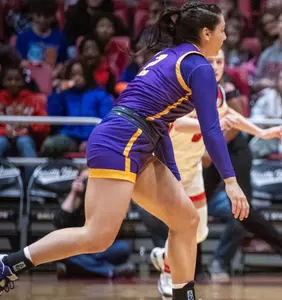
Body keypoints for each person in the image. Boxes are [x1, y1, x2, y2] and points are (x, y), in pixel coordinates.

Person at [0, 3, 249, 300]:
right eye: (221, 31)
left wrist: (172, 172)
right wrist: (231, 182)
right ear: (206, 32)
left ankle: (183, 295)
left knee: (186, 221)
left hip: (133, 138)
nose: (224, 37)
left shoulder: (168, 56)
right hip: (122, 140)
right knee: (97, 235)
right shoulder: (199, 66)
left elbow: (160, 125)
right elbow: (211, 130)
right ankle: (7, 264)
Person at [150, 48, 282, 297]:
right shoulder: (182, 90)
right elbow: (176, 123)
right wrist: (208, 124)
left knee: (199, 232)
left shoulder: (217, 93)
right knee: (181, 226)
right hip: (167, 169)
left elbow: (230, 115)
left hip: (192, 172)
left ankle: (164, 257)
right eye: (210, 61)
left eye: (220, 61)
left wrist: (262, 132)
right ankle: (168, 275)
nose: (215, 66)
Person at [53, 169, 135, 279]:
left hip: (101, 248)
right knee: (61, 251)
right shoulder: (75, 200)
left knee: (123, 248)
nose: (88, 184)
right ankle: (109, 271)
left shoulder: (105, 196)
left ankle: (79, 268)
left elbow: (118, 228)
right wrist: (73, 193)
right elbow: (58, 222)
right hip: (78, 248)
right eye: (86, 180)